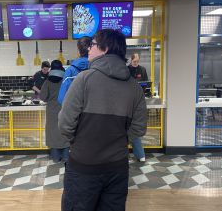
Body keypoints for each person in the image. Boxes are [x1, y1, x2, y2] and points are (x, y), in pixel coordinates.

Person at [59, 29, 147, 211]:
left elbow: (65, 123)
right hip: (117, 167)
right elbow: (139, 129)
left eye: (93, 44)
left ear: (105, 48)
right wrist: (118, 142)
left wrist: (80, 143)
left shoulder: (83, 79)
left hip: (83, 166)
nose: (89, 49)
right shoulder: (135, 87)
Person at [40, 60, 69, 162]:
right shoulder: (66, 80)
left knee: (53, 132)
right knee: (64, 131)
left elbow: (43, 96)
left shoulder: (47, 82)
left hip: (52, 110)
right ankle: (66, 156)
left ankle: (56, 157)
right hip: (64, 109)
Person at [58, 36, 91, 105]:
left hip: (77, 112)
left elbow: (62, 99)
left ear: (78, 52)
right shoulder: (99, 68)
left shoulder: (70, 71)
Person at [128, 53, 148, 162]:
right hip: (128, 101)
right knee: (131, 128)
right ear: (131, 61)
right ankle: (140, 155)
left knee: (133, 128)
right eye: (134, 61)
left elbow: (146, 84)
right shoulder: (126, 70)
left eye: (137, 61)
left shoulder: (142, 70)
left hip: (138, 101)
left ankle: (140, 155)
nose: (136, 63)